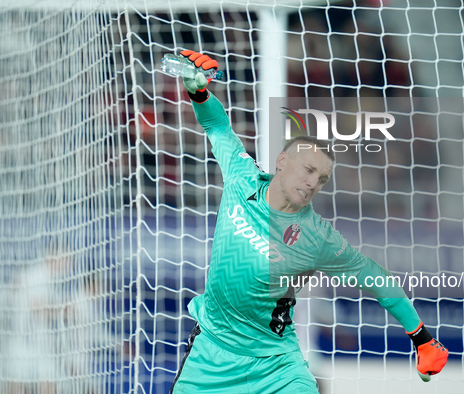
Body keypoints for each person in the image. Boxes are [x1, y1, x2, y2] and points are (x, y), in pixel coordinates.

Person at [169, 50, 448, 393]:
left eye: (322, 179)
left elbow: (376, 278)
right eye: (309, 170)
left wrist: (422, 338)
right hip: (212, 354)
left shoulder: (316, 238)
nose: (313, 182)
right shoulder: (241, 180)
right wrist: (198, 92)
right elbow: (217, 126)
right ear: (282, 160)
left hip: (276, 367)